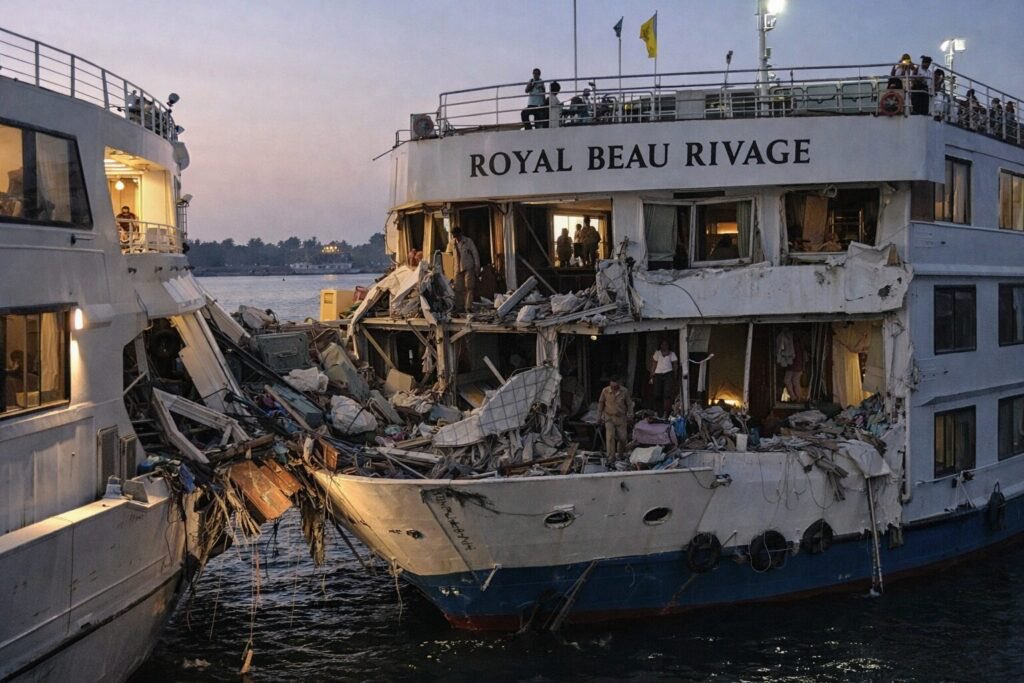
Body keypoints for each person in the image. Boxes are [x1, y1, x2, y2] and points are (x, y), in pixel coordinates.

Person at [449, 227, 480, 313]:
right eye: (455, 236)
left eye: (458, 236)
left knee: (469, 286)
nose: (457, 238)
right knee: (458, 288)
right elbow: (448, 255)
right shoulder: (452, 243)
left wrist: (477, 266)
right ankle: (460, 306)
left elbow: (475, 253)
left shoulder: (468, 241)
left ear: (460, 234)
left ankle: (468, 306)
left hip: (468, 266)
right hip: (457, 268)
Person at [598, 378, 630, 459]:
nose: (613, 389)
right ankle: (610, 457)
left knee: (623, 438)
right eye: (612, 387)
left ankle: (620, 454)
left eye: (615, 387)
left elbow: (629, 404)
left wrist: (630, 414)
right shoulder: (605, 391)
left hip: (621, 417)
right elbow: (601, 403)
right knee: (610, 437)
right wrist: (599, 416)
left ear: (619, 384)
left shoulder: (625, 391)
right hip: (609, 417)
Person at [648, 340, 679, 417]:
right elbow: (654, 364)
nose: (664, 346)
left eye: (666, 344)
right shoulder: (657, 353)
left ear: (668, 346)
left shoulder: (672, 354)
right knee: (657, 394)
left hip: (668, 374)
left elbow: (675, 366)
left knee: (667, 394)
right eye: (663, 344)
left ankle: (666, 412)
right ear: (660, 345)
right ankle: (657, 412)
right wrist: (651, 375)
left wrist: (675, 376)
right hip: (658, 375)